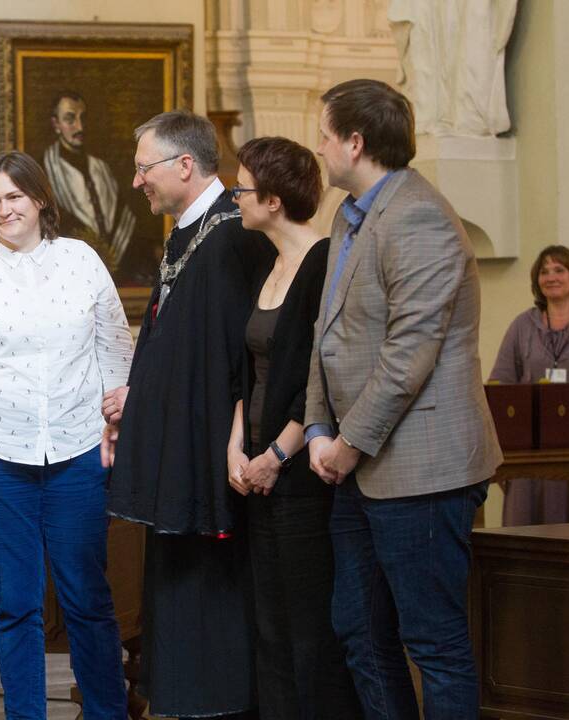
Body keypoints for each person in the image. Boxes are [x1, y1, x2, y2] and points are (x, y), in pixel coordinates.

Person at [305, 78, 502, 719]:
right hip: (355, 468)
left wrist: (347, 445)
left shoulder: (419, 215)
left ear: (355, 142)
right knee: (358, 631)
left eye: (325, 134)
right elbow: (326, 337)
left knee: (433, 643)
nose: (320, 146)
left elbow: (407, 354)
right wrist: (315, 432)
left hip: (422, 467)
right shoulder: (349, 216)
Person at [0, 150, 133, 720]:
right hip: (0, 458)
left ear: (40, 199)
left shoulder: (81, 260)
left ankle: (105, 713)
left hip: (78, 452)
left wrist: (115, 426)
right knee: (17, 604)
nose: (4, 210)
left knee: (87, 600)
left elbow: (114, 349)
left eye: (14, 197)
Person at [101, 110, 273, 719]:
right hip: (178, 446)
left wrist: (147, 398)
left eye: (144, 167)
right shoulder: (188, 233)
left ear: (184, 165)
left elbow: (227, 359)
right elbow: (176, 344)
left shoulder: (234, 235)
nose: (137, 181)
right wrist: (137, 396)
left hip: (209, 455)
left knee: (210, 587)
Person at [225, 136, 360, 719]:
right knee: (269, 629)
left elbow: (321, 380)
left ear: (274, 200)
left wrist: (275, 457)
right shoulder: (266, 262)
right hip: (256, 470)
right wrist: (237, 449)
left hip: (301, 474)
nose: (235, 197)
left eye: (243, 188)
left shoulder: (325, 261)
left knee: (310, 631)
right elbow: (245, 373)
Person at [489, 244, 569, 525]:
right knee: (525, 524)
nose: (551, 277)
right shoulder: (522, 325)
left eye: (559, 270)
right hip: (530, 446)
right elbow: (500, 383)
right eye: (544, 272)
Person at [43, 90, 138, 277]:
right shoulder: (45, 170)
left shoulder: (102, 168)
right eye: (70, 119)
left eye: (83, 118)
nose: (80, 127)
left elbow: (123, 220)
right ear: (56, 124)